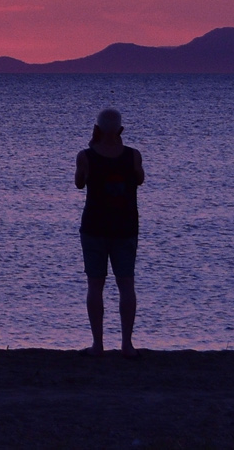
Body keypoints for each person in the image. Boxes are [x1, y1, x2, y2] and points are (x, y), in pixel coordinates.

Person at [75, 107, 145, 355]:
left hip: (95, 226)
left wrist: (93, 146)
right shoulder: (133, 155)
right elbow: (140, 178)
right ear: (121, 131)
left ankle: (98, 344)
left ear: (96, 129)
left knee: (95, 285)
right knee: (126, 284)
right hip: (125, 227)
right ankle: (127, 344)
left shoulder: (85, 156)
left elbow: (79, 182)